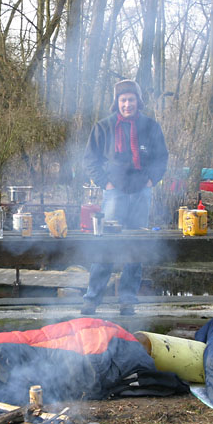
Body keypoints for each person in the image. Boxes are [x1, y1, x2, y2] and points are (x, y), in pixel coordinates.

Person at [81, 80, 168, 316]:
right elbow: (90, 159)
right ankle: (92, 299)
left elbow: (161, 158)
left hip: (141, 193)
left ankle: (128, 300)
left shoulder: (150, 126)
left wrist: (151, 180)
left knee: (136, 247)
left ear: (138, 101)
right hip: (114, 194)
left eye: (131, 99)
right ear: (116, 102)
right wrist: (105, 183)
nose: (127, 104)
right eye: (123, 100)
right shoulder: (103, 127)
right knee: (105, 245)